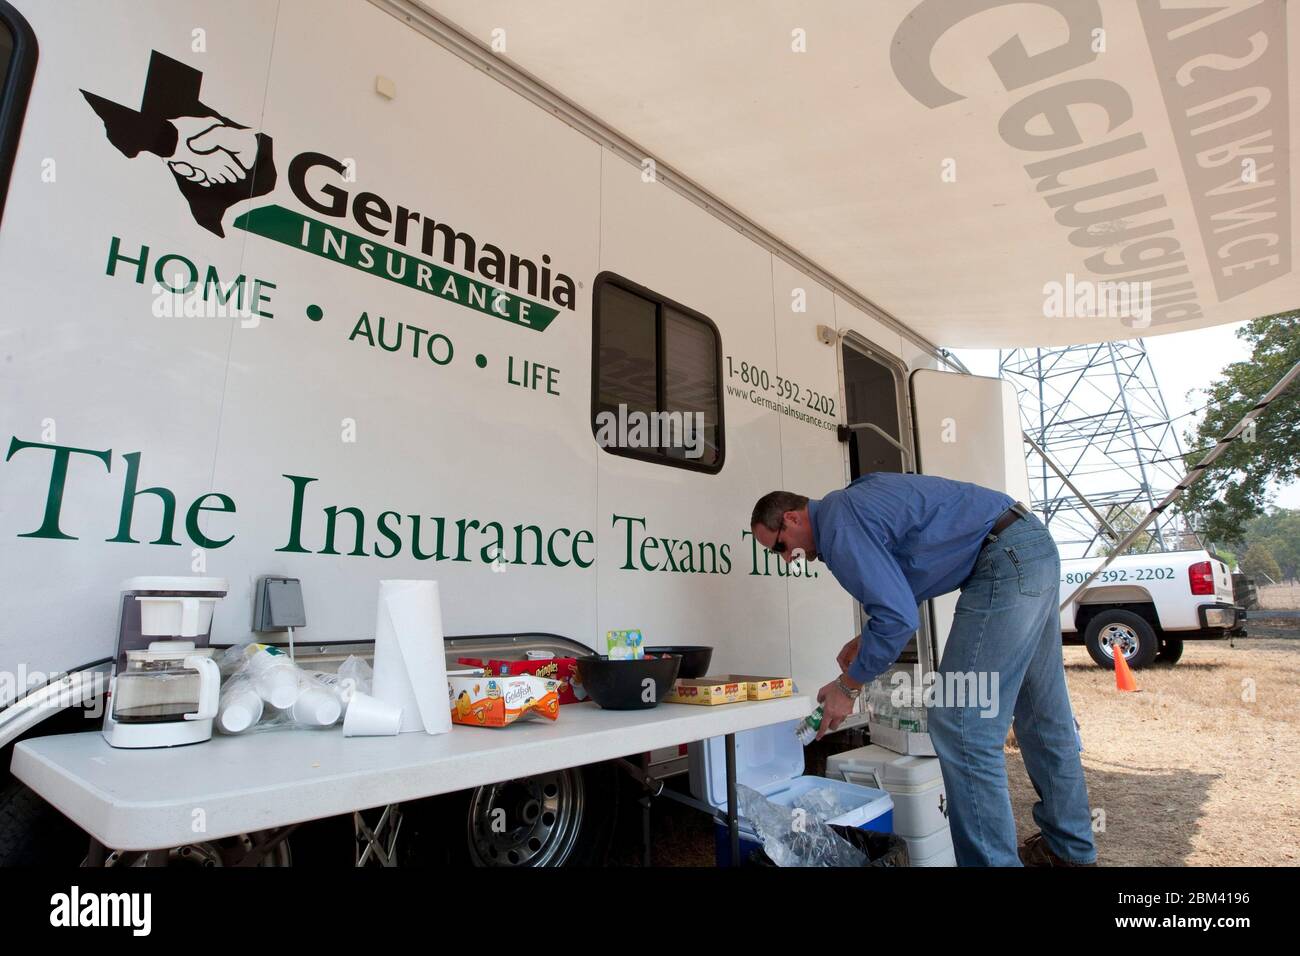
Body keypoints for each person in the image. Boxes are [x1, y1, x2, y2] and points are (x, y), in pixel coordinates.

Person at [750, 473, 1096, 867]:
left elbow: (897, 618)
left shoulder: (835, 525)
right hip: (1029, 548)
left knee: (961, 723)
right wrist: (869, 636)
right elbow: (899, 589)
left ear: (792, 518)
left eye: (779, 545)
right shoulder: (851, 503)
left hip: (1003, 561)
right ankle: (1069, 851)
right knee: (1041, 714)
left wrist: (847, 688)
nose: (786, 556)